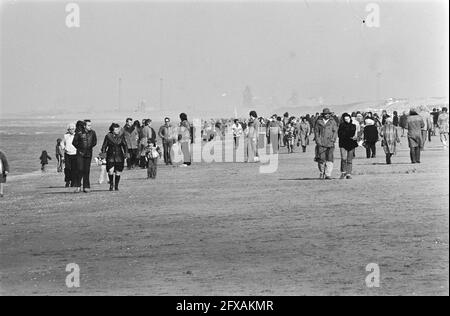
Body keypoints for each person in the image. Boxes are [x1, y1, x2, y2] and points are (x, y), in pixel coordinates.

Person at [101, 123, 128, 191]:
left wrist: (126, 153)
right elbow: (104, 146)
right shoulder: (108, 136)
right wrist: (103, 154)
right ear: (112, 130)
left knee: (118, 172)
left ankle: (116, 186)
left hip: (119, 156)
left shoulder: (121, 136)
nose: (118, 131)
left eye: (118, 129)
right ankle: (111, 184)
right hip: (110, 156)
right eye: (116, 129)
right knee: (110, 171)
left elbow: (125, 145)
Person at [72, 119, 97, 193]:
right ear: (84, 126)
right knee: (79, 169)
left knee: (86, 170)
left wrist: (88, 147)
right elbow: (74, 142)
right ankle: (78, 186)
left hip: (89, 153)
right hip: (80, 153)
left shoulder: (93, 132)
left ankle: (86, 187)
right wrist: (80, 148)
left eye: (90, 125)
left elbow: (94, 142)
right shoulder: (79, 133)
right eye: (88, 125)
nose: (90, 127)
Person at [314, 108, 338, 179]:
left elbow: (335, 131)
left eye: (328, 114)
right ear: (323, 114)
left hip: (330, 142)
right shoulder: (319, 121)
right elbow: (316, 132)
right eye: (325, 114)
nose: (327, 115)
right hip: (321, 142)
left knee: (330, 158)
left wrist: (333, 139)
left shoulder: (333, 122)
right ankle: (322, 172)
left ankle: (328, 174)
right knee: (321, 158)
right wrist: (318, 140)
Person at [338, 113, 358, 179]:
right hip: (343, 143)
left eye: (348, 118)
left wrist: (346, 134)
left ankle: (348, 173)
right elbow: (340, 134)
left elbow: (352, 133)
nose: (347, 120)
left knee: (349, 159)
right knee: (343, 158)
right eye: (345, 119)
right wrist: (347, 135)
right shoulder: (341, 126)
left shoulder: (353, 126)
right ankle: (343, 172)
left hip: (351, 143)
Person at [63, 123, 77, 187]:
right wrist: (64, 148)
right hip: (67, 154)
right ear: (68, 130)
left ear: (75, 129)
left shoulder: (77, 135)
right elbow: (61, 143)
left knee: (74, 169)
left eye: (72, 129)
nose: (71, 130)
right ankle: (67, 181)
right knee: (67, 169)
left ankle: (73, 182)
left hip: (75, 154)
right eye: (70, 129)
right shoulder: (66, 136)